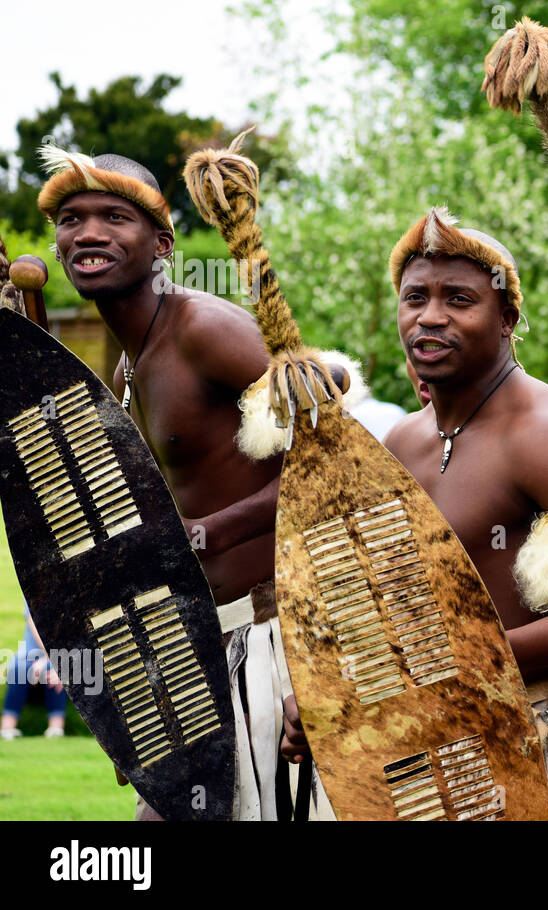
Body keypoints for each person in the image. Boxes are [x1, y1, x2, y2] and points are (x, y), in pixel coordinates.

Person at [38, 146, 319, 820]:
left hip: (278, 645)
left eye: (116, 216)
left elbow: (335, 460)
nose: (90, 233)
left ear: (162, 244)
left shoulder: (204, 329)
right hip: (198, 653)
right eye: (72, 218)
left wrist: (204, 533)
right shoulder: (127, 371)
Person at [381, 206, 548, 820]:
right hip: (429, 738)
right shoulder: (401, 441)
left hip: (539, 736)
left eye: (458, 299)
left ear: (506, 319)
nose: (431, 317)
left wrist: (480, 661)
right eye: (415, 297)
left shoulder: (543, 434)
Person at [1, 604, 67, 740]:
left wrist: (51, 660)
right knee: (19, 669)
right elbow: (35, 624)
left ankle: (56, 727)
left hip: (60, 654)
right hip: (29, 654)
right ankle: (7, 727)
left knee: (54, 670)